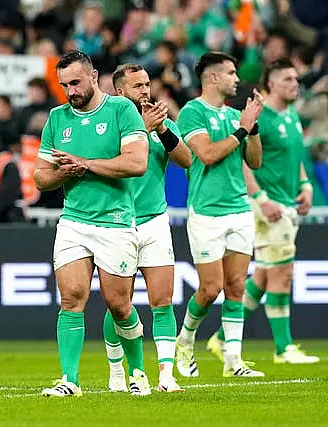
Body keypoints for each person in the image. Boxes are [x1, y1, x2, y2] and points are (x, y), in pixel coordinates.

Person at [34, 50, 151, 397]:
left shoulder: (121, 110)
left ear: (94, 75)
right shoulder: (57, 119)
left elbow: (136, 163)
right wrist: (61, 173)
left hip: (115, 221)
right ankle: (69, 380)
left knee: (119, 305)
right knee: (71, 298)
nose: (70, 91)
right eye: (64, 85)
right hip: (74, 221)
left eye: (75, 82)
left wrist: (85, 163)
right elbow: (40, 178)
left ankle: (139, 371)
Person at [207, 58, 320, 365]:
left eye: (296, 78)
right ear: (271, 84)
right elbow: (243, 160)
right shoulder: (263, 117)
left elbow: (295, 155)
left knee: (264, 275)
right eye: (287, 79)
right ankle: (283, 348)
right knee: (282, 274)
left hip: (286, 202)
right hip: (268, 205)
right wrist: (260, 197)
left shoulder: (292, 114)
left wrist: (306, 184)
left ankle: (220, 338)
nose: (294, 84)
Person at [174, 51, 265, 378]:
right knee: (210, 288)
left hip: (239, 208)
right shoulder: (192, 112)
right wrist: (241, 129)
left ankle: (233, 361)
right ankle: (184, 339)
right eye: (230, 73)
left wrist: (251, 130)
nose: (237, 79)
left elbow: (254, 162)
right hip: (207, 212)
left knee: (237, 287)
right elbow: (208, 154)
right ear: (212, 77)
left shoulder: (233, 116)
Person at [103, 63, 191, 393]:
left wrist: (163, 131)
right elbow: (107, 159)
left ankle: (166, 376)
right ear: (120, 91)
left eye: (147, 84)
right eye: (137, 85)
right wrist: (142, 127)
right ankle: (116, 371)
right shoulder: (109, 119)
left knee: (162, 300)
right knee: (119, 303)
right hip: (116, 222)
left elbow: (187, 160)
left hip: (154, 219)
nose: (145, 90)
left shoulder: (160, 122)